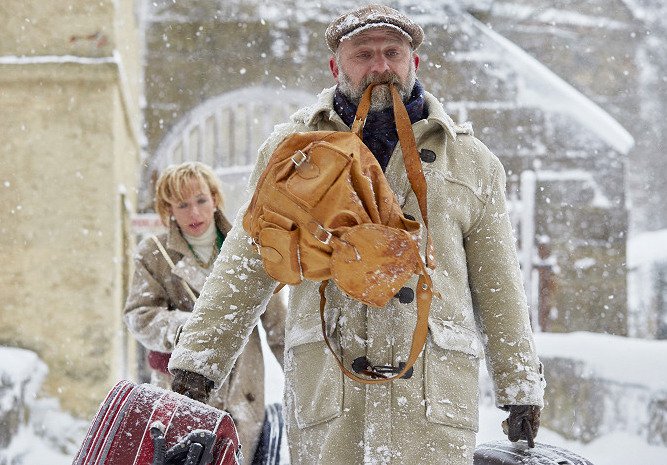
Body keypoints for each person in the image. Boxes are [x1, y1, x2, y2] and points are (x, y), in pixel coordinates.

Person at [168, 4, 545, 464]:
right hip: (331, 384)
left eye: (392, 52)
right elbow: (248, 259)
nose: (380, 66)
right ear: (336, 66)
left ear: (414, 62)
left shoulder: (470, 160)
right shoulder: (293, 151)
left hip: (431, 395)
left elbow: (498, 282)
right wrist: (199, 359)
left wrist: (519, 382)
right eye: (363, 54)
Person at [123, 161, 286, 463]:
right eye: (182, 205)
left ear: (214, 198)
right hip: (182, 393)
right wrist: (185, 329)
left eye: (200, 200)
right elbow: (139, 315)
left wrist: (303, 377)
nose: (194, 213)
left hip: (243, 393)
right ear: (168, 209)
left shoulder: (248, 247)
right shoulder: (154, 254)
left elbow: (279, 328)